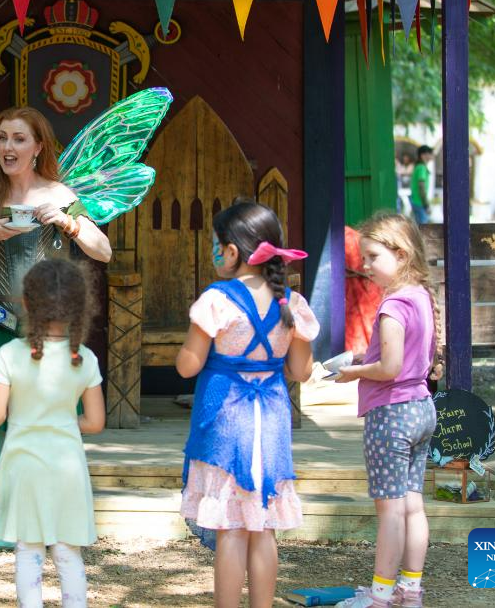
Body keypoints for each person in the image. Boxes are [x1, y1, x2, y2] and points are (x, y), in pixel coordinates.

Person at [0, 106, 111, 548]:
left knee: (37, 415)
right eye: (2, 138)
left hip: (44, 326)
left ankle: (39, 517)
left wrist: (69, 222)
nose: (8, 147)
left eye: (18, 139)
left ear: (38, 147)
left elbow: (103, 250)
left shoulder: (59, 192)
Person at [175, 202, 317, 608]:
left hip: (226, 423)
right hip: (270, 422)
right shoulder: (291, 303)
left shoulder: (217, 300)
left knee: (231, 528)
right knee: (263, 526)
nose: (215, 252)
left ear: (232, 251)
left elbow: (188, 366)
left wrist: (185, 353)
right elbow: (301, 371)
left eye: (217, 245)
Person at [331, 214, 440, 608]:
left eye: (373, 256)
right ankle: (410, 592)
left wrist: (354, 372)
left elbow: (390, 368)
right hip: (421, 409)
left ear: (402, 254)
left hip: (391, 416)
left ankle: (380, 597)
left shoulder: (392, 306)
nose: (364, 265)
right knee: (413, 505)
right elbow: (411, 358)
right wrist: (367, 357)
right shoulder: (421, 296)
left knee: (391, 512)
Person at [0, 258, 105, 608]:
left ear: (26, 303)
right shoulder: (84, 358)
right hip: (68, 469)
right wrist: (63, 421)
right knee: (67, 552)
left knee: (28, 551)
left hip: (24, 469)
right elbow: (95, 422)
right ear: (79, 307)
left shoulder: (9, 354)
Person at [409, 146, 434, 224]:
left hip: (416, 202)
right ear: (423, 155)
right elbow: (421, 187)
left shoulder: (419, 167)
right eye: (430, 153)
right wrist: (426, 205)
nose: (432, 155)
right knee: (423, 228)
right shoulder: (421, 168)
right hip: (420, 203)